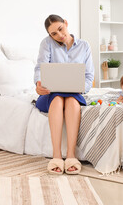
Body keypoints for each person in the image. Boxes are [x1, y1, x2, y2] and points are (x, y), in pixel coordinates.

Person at [34, 14, 94, 175]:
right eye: (54, 33)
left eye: (60, 29)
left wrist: (81, 87)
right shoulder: (47, 44)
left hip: (75, 92)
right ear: (49, 35)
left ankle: (71, 156)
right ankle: (56, 156)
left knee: (72, 101)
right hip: (51, 93)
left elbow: (89, 77)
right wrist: (38, 85)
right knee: (58, 99)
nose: (59, 35)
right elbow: (40, 68)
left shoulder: (84, 46)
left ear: (66, 23)